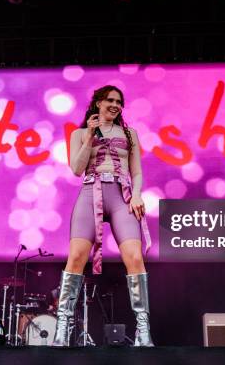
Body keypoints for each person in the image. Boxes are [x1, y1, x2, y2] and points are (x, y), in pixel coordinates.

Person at [51, 85, 153, 347]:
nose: (115, 104)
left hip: (122, 196)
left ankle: (143, 330)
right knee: (75, 258)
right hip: (89, 191)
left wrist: (138, 195)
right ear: (97, 102)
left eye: (119, 101)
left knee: (134, 257)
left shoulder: (130, 134)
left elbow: (137, 171)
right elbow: (76, 169)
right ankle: (62, 327)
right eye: (110, 100)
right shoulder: (80, 133)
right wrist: (89, 138)